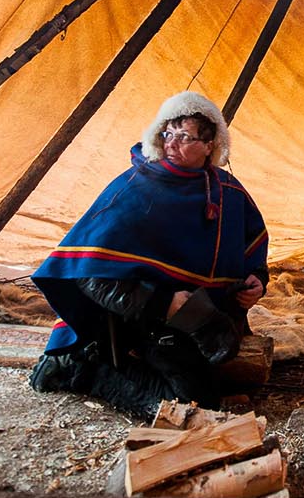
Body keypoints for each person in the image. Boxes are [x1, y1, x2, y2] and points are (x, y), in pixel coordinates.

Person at [22, 91, 269, 419]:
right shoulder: (135, 188)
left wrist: (257, 281)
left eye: (184, 136)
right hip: (133, 316)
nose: (171, 143)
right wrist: (164, 303)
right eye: (167, 133)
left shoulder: (228, 191)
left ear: (210, 145)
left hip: (197, 317)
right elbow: (88, 274)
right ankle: (85, 368)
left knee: (213, 371)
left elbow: (253, 244)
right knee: (195, 407)